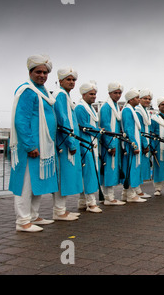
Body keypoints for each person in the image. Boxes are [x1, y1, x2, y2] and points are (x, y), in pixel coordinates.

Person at [9, 54, 59, 232]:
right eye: (38, 72)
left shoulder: (43, 91)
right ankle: (23, 221)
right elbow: (21, 120)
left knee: (38, 182)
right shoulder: (27, 91)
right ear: (30, 72)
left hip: (44, 146)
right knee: (26, 184)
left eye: (45, 72)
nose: (42, 75)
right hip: (31, 147)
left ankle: (33, 215)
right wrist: (30, 146)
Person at [52, 67, 83, 221]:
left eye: (73, 80)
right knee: (62, 176)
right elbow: (63, 120)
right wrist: (71, 143)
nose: (71, 82)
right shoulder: (61, 95)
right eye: (68, 79)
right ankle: (59, 211)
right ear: (60, 81)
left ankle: (61, 209)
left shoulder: (65, 95)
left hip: (68, 141)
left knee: (66, 175)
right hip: (64, 142)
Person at [75, 81, 102, 212]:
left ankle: (82, 201)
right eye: (91, 94)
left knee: (89, 172)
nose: (94, 96)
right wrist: (98, 130)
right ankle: (91, 203)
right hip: (85, 143)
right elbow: (83, 125)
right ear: (84, 94)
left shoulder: (90, 108)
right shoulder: (80, 108)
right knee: (89, 172)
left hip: (91, 142)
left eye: (95, 94)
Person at [99, 83, 126, 206]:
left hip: (115, 142)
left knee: (113, 169)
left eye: (120, 93)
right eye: (115, 92)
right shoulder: (106, 107)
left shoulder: (115, 107)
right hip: (109, 144)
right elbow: (106, 127)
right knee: (109, 169)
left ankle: (110, 196)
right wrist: (110, 145)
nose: (118, 95)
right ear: (109, 93)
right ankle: (108, 198)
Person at [120, 88, 147, 202]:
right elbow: (129, 129)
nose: (139, 99)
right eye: (137, 98)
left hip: (133, 144)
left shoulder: (131, 110)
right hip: (131, 146)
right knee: (131, 168)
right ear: (130, 100)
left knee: (133, 168)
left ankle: (126, 194)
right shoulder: (127, 111)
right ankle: (131, 195)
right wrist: (134, 145)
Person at [135, 88, 153, 198]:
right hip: (140, 143)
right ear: (139, 99)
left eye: (149, 99)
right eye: (145, 98)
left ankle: (138, 189)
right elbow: (140, 129)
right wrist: (144, 144)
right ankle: (136, 190)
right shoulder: (138, 111)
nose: (147, 100)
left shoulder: (145, 111)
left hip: (145, 142)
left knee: (141, 167)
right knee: (138, 167)